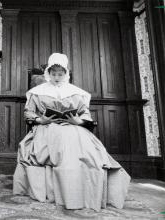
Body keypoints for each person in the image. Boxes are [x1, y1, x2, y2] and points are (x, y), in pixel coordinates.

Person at [13, 53, 131, 211]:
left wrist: (79, 121)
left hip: (73, 127)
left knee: (88, 149)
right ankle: (67, 193)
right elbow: (28, 113)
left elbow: (85, 115)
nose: (56, 77)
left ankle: (85, 193)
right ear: (48, 73)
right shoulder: (37, 92)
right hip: (47, 127)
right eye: (53, 74)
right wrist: (41, 120)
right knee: (62, 140)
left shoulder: (76, 92)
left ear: (65, 74)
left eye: (60, 74)